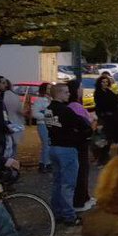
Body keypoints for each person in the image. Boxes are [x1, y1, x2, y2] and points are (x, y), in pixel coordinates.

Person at [43, 83, 90, 227]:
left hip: (53, 148)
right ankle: (69, 215)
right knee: (68, 184)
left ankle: (57, 212)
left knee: (57, 182)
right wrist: (81, 135)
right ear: (59, 93)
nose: (69, 94)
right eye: (66, 92)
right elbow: (83, 125)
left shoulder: (48, 110)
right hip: (67, 149)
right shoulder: (65, 110)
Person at [68, 78, 95, 212]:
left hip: (78, 142)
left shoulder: (74, 105)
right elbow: (85, 123)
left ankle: (85, 197)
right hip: (80, 142)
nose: (83, 89)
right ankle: (80, 200)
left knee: (83, 170)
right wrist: (91, 119)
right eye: (81, 87)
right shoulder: (75, 106)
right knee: (82, 171)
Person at [93, 74, 118, 165]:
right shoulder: (98, 92)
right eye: (103, 82)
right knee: (102, 138)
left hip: (111, 117)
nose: (105, 83)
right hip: (103, 117)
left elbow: (116, 100)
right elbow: (101, 104)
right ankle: (101, 158)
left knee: (109, 138)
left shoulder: (109, 91)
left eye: (106, 82)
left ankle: (106, 157)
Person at [0, 77, 25, 161]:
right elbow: (20, 110)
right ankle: (12, 162)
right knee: (14, 145)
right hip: (15, 122)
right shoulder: (15, 96)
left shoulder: (0, 97)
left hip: (4, 123)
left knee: (6, 145)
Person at [30, 83, 53, 173]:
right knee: (46, 144)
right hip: (43, 124)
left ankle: (43, 163)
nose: (50, 90)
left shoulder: (51, 99)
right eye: (48, 88)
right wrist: (46, 116)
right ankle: (46, 163)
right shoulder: (39, 100)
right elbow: (34, 113)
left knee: (48, 144)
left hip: (50, 124)